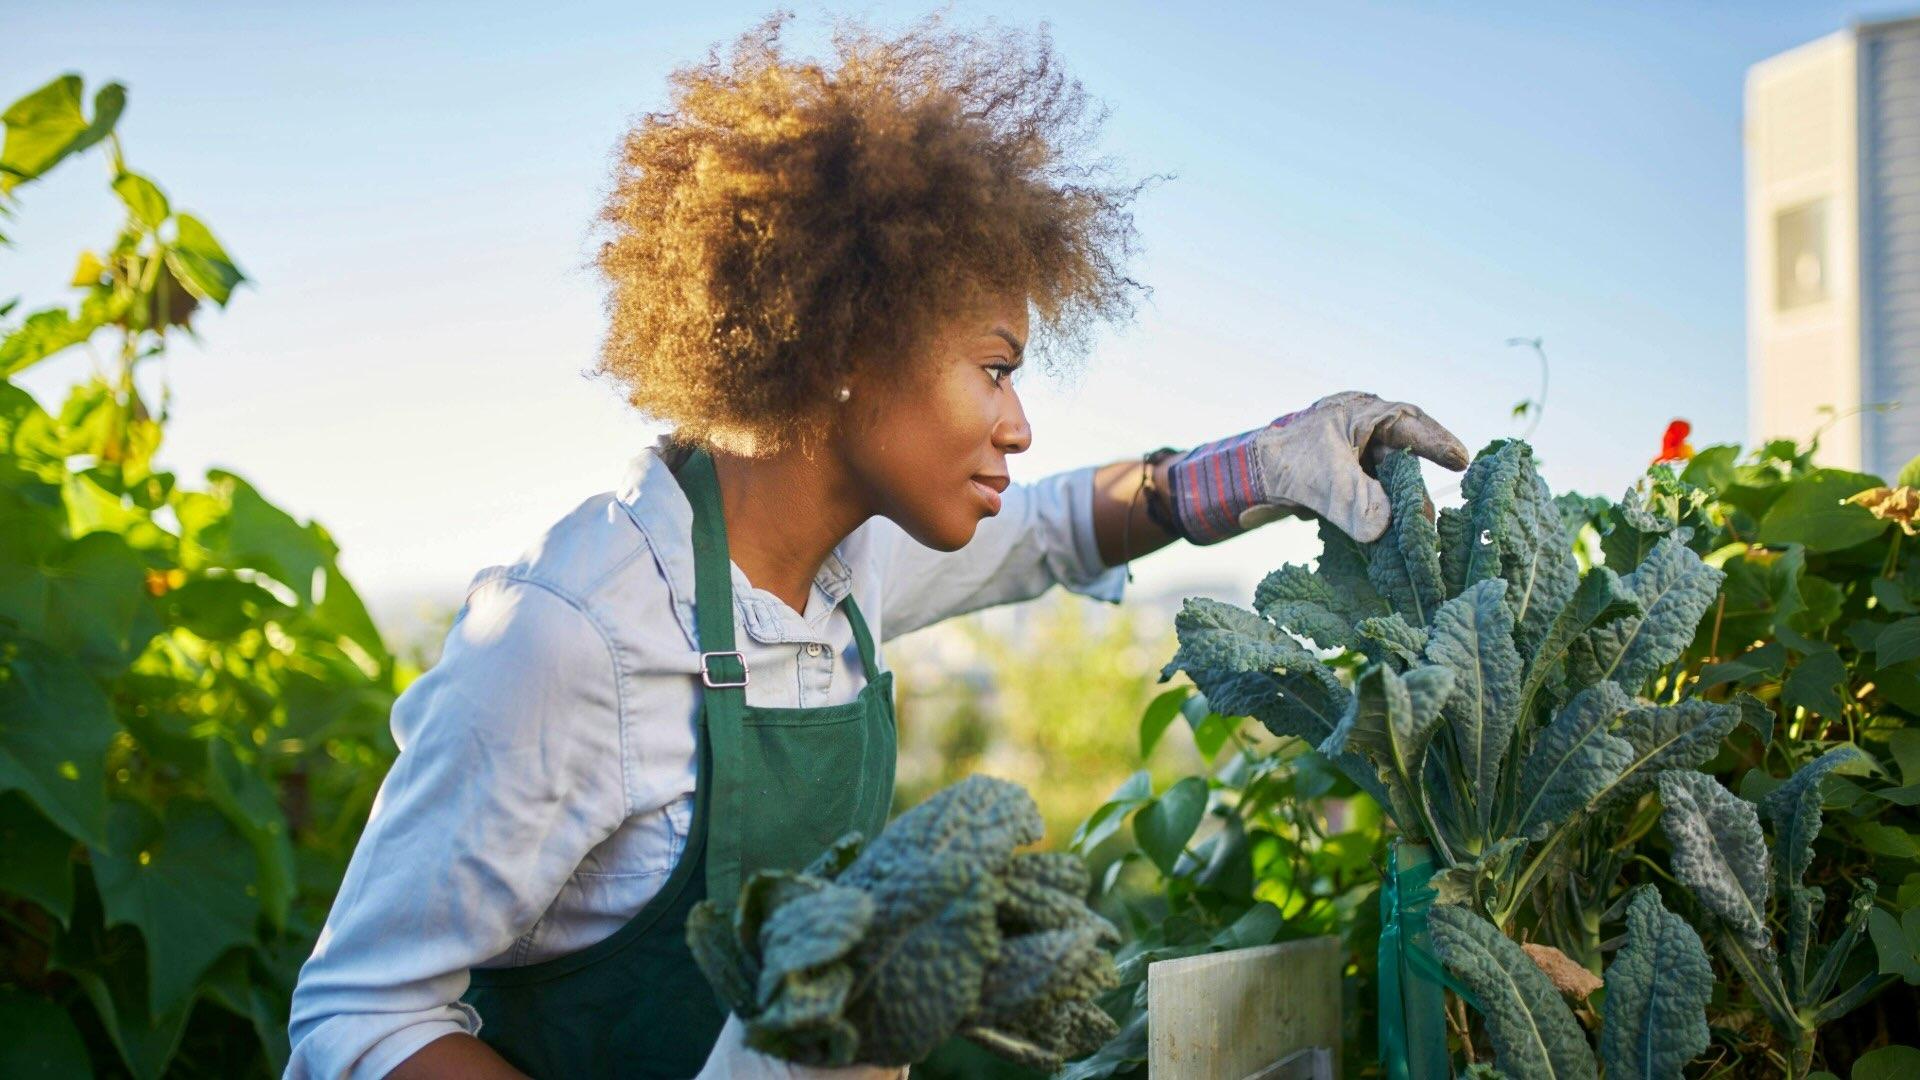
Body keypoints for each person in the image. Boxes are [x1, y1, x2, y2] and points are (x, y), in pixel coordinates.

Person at [284, 13, 1468, 1080]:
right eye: (996, 367)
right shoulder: (570, 638)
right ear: (853, 338)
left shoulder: (844, 575)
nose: (1019, 420)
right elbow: (358, 1018)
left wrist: (1263, 464)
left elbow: (1057, 523)